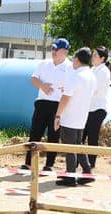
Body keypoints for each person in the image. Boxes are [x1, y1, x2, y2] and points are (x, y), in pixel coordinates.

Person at [53, 47, 96, 186]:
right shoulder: (91, 75)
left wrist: (58, 115)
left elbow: (66, 97)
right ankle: (87, 171)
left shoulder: (76, 75)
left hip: (70, 116)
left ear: (77, 59)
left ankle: (70, 176)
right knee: (78, 145)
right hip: (81, 116)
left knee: (70, 147)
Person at [27, 38, 71, 171]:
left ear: (65, 52)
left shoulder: (70, 67)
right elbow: (33, 79)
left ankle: (49, 165)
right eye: (53, 48)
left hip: (57, 106)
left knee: (53, 136)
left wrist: (67, 89)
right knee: (35, 133)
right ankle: (28, 163)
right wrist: (42, 86)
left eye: (56, 49)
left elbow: (72, 87)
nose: (54, 51)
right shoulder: (44, 63)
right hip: (41, 103)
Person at [85, 46, 111, 173]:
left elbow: (93, 89)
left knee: (92, 137)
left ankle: (91, 163)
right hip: (88, 108)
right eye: (93, 54)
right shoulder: (93, 69)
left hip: (97, 109)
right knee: (81, 137)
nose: (93, 57)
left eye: (96, 55)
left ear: (102, 58)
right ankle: (82, 163)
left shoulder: (103, 71)